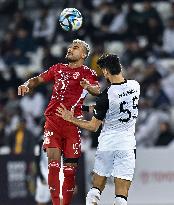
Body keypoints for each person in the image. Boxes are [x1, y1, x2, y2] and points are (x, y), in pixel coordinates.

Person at [18, 39, 100, 205]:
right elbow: (38, 79)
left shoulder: (88, 73)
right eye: (70, 47)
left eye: (75, 48)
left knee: (69, 172)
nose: (70, 49)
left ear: (83, 55)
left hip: (72, 124)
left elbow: (97, 90)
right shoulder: (57, 68)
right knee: (53, 164)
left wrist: (88, 87)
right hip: (53, 121)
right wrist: (27, 84)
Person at [57, 54, 140, 205]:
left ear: (106, 72)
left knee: (94, 192)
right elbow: (112, 102)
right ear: (119, 67)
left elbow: (93, 126)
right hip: (127, 146)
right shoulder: (135, 86)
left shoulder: (106, 97)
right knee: (121, 199)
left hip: (107, 146)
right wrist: (88, 92)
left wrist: (71, 118)